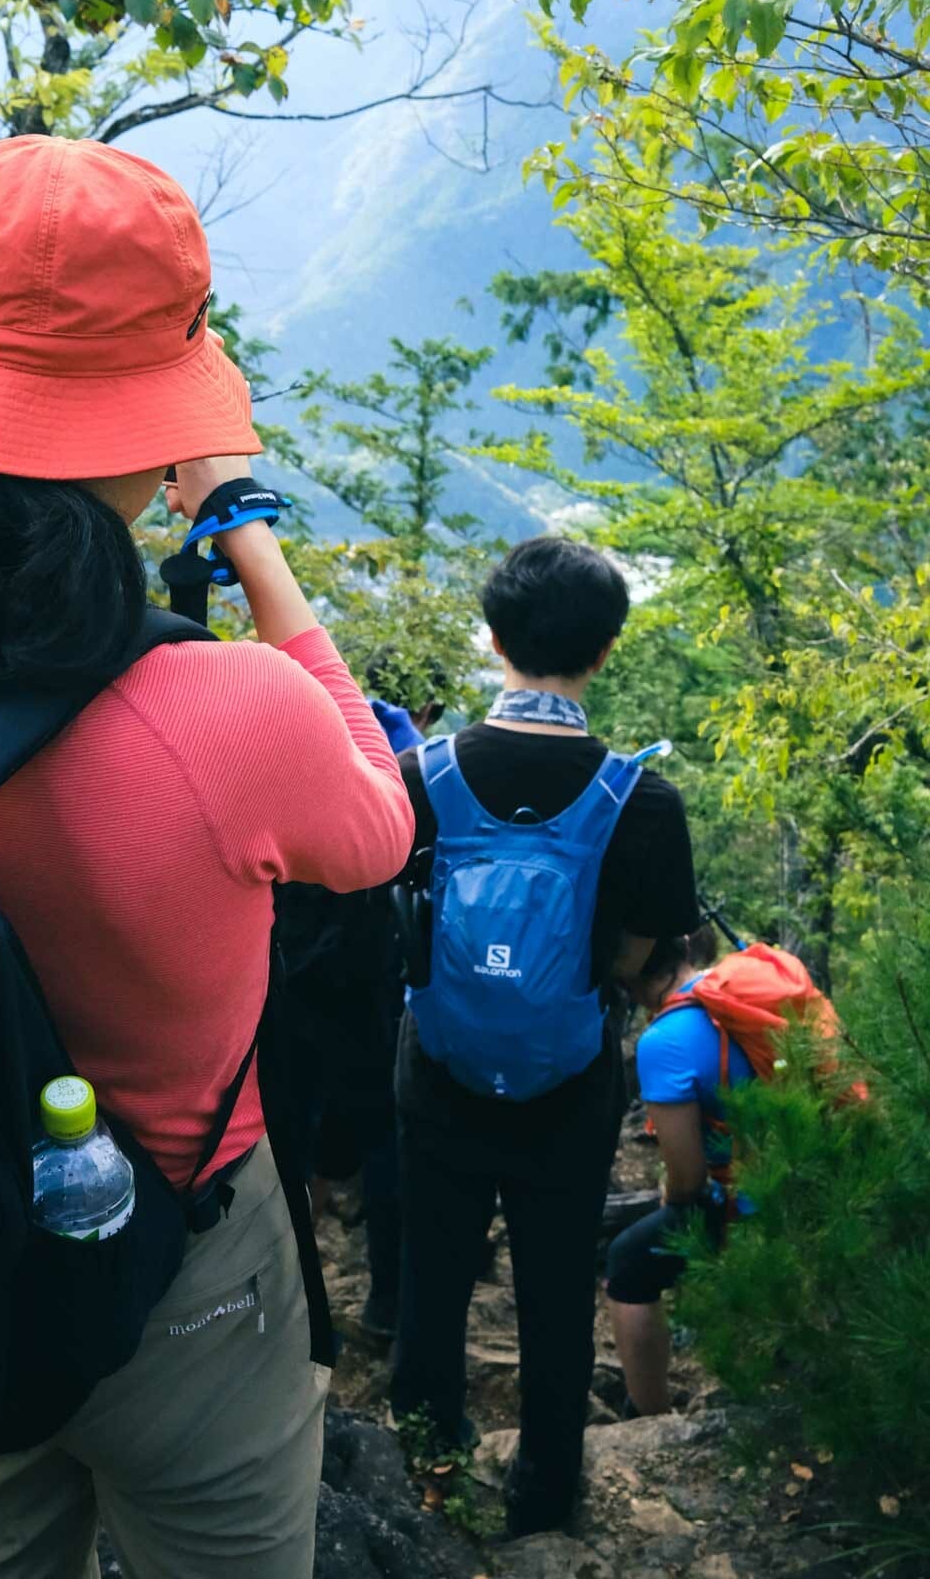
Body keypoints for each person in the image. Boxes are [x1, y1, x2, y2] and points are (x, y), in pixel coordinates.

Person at [0, 134, 414, 1579]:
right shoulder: (233, 713)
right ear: (153, 423)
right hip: (185, 1267)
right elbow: (379, 827)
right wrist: (251, 548)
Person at [389, 535, 700, 1537]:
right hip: (566, 1080)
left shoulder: (417, 774)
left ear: (491, 638)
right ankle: (542, 1498)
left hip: (436, 1068)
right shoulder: (641, 802)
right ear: (603, 651)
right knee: (557, 1291)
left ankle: (423, 1480)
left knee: (431, 1281)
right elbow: (639, 955)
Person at [276, 651, 448, 1340]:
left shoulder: (303, 730)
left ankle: (291, 1303)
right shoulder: (413, 765)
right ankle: (385, 1305)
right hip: (371, 989)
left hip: (287, 978)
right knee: (382, 1150)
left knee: (288, 1144)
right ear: (422, 711)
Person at [606, 932, 757, 1417]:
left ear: (632, 984)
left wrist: (670, 1193)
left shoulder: (663, 1040)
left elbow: (687, 1182)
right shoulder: (730, 995)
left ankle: (649, 1415)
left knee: (628, 1263)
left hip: (749, 1207)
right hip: (805, 1185)